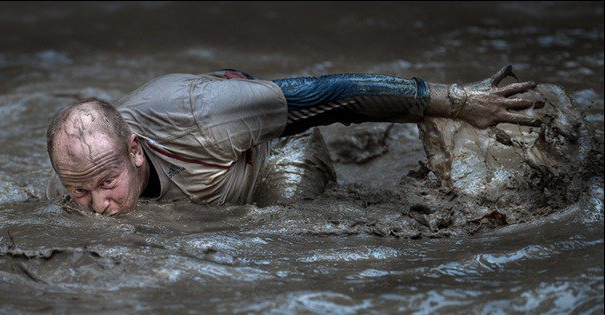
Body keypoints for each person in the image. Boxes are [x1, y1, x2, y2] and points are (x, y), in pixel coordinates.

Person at [45, 65, 544, 216]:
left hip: (274, 153)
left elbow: (337, 94)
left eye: (107, 184)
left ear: (134, 149)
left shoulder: (200, 117)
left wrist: (457, 102)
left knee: (283, 236)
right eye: (80, 192)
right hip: (219, 163)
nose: (97, 206)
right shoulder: (82, 171)